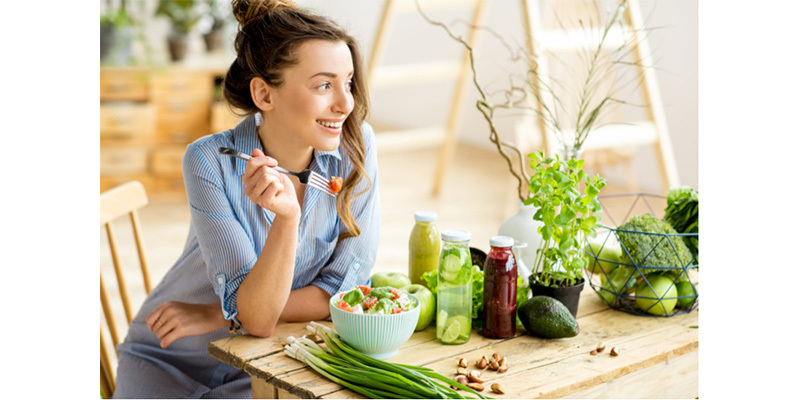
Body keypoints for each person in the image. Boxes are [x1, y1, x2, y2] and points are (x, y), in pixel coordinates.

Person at [112, 0, 379, 397]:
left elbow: (344, 290)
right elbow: (257, 317)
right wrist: (286, 222)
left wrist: (220, 313)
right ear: (264, 94)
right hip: (170, 356)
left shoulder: (356, 149)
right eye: (324, 85)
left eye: (348, 82)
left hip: (265, 360)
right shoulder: (209, 161)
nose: (346, 103)